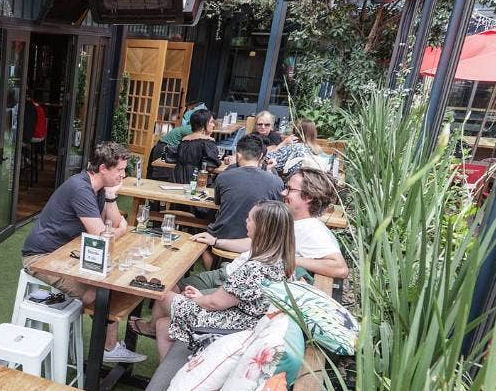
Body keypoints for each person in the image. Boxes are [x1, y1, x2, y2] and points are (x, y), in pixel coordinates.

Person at [21, 142, 146, 364]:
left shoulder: (97, 188)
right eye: (119, 170)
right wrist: (117, 230)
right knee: (100, 295)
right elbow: (102, 236)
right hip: (42, 257)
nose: (123, 175)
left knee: (110, 284)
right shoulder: (81, 189)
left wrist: (111, 198)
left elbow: (118, 224)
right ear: (103, 169)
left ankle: (108, 346)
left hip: (68, 252)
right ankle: (108, 348)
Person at [135, 200, 297, 358]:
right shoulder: (282, 260)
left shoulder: (254, 268)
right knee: (163, 325)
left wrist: (199, 299)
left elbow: (215, 303)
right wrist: (201, 298)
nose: (246, 221)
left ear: (262, 228)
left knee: (162, 295)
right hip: (249, 321)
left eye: (250, 219)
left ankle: (156, 339)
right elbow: (230, 298)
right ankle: (170, 377)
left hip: (232, 326)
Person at [188, 166, 348, 285]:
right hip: (235, 273)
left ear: (308, 197)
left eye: (289, 189)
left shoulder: (312, 229)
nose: (283, 193)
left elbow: (340, 269)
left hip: (235, 282)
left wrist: (287, 258)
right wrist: (216, 241)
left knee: (170, 288)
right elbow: (258, 245)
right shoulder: (291, 221)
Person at [199, 136, 283, 265]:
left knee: (206, 230)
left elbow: (218, 203)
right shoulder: (276, 181)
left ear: (238, 155)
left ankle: (215, 271)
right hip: (258, 238)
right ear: (261, 156)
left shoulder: (224, 177)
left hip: (222, 234)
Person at [172, 109, 222, 184]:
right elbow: (210, 167)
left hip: (179, 178)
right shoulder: (207, 142)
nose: (213, 125)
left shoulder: (184, 140)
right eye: (211, 122)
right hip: (197, 181)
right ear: (203, 125)